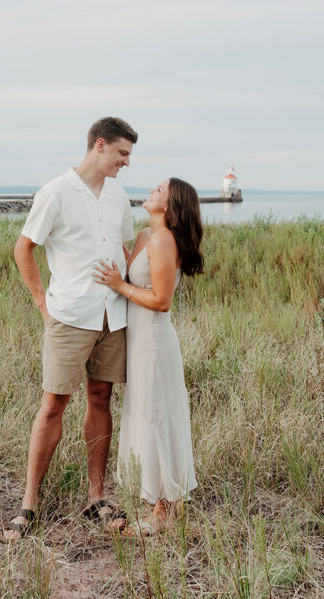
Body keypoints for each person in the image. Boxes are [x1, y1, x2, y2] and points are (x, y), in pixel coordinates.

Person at [2, 116, 138, 541]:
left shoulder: (119, 196)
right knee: (53, 405)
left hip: (113, 316)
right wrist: (44, 303)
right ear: (100, 145)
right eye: (122, 153)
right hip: (70, 315)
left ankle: (96, 497)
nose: (126, 162)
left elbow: (127, 250)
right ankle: (28, 504)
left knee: (102, 398)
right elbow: (24, 249)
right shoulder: (56, 192)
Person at [94, 177, 203, 535]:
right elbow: (129, 267)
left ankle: (164, 509)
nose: (153, 190)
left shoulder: (165, 241)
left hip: (155, 342)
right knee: (144, 412)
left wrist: (120, 286)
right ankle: (159, 499)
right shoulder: (145, 235)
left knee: (157, 415)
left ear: (171, 205)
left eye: (161, 189)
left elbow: (161, 300)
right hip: (137, 341)